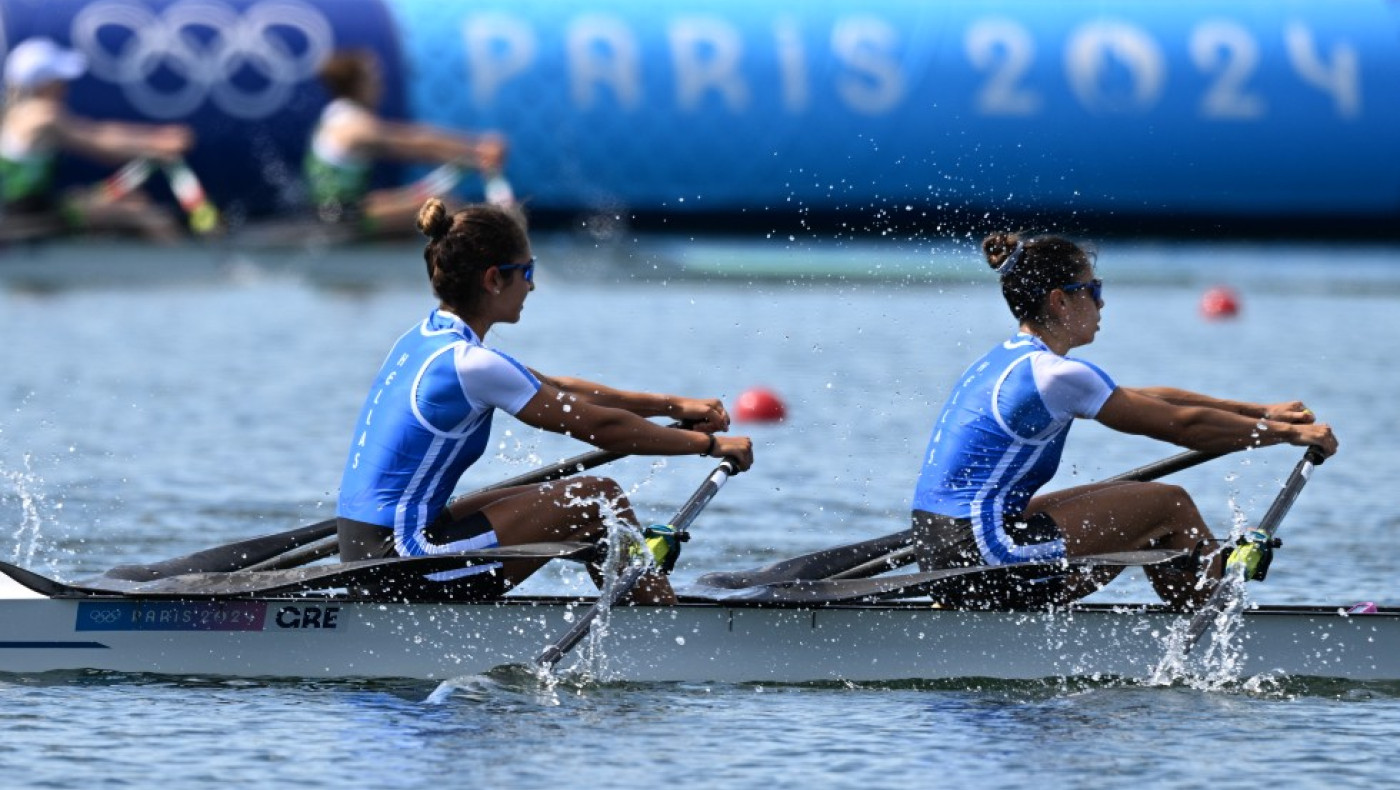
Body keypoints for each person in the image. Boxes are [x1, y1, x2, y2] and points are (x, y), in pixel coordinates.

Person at [336, 198, 753, 603]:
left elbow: (557, 388)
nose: (532, 284)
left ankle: (643, 603)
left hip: (367, 552)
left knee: (549, 494)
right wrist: (710, 445)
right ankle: (661, 629)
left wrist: (674, 407)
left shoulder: (426, 339)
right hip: (404, 565)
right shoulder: (471, 363)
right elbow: (602, 429)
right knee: (597, 500)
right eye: (527, 271)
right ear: (494, 279)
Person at [909, 232, 1338, 610]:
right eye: (1092, 289)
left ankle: (1197, 607)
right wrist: (1288, 434)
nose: (1101, 301)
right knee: (1166, 504)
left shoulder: (1012, 361)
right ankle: (1220, 627)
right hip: (983, 552)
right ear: (1060, 300)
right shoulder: (1056, 374)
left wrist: (1260, 413)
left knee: (1123, 499)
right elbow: (1183, 427)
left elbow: (1146, 400)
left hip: (943, 550)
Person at [0, 37, 194, 242]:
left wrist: (154, 140)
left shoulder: (14, 114)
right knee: (149, 217)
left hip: (33, 206)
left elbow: (98, 133)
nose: (66, 86)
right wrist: (155, 144)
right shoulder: (42, 117)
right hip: (23, 216)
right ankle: (191, 271)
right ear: (43, 83)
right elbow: (99, 143)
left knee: (133, 201)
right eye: (59, 79)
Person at [304, 49, 508, 236]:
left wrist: (472, 155)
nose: (380, 86)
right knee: (447, 207)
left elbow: (418, 142)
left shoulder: (335, 115)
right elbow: (418, 143)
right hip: (341, 218)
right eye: (374, 79)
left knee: (407, 199)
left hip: (342, 208)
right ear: (358, 85)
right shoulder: (355, 126)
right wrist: (477, 148)